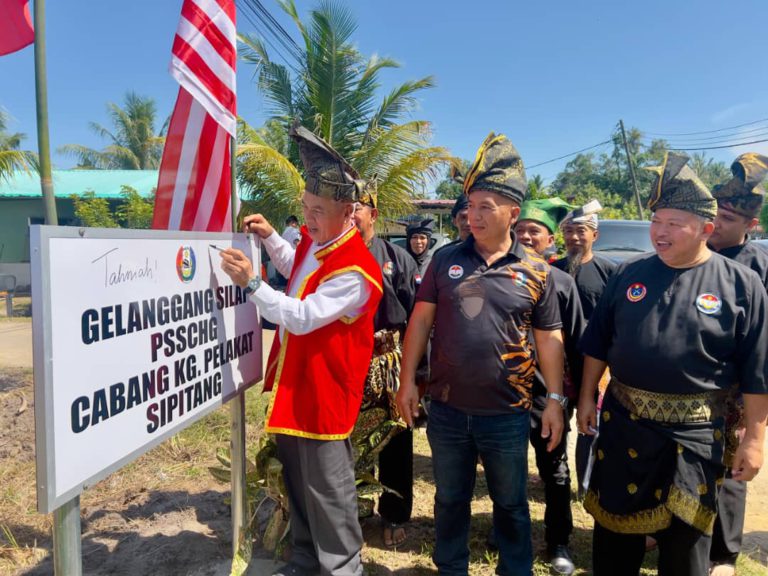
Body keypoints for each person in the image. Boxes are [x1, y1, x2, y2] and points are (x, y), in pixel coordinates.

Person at [577, 152, 768, 576]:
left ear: (706, 229)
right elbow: (598, 343)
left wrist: (754, 440)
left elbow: (758, 369)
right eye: (656, 221)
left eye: (673, 224)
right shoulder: (629, 275)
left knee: (686, 551)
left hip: (696, 436)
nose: (659, 233)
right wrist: (586, 397)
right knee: (614, 544)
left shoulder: (742, 284)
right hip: (624, 424)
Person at [397, 132, 566, 576]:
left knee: (510, 503)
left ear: (513, 212)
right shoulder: (445, 260)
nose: (472, 216)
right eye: (469, 206)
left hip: (508, 412)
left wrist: (554, 400)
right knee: (450, 499)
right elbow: (420, 323)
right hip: (448, 409)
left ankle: (515, 569)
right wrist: (406, 381)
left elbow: (549, 337)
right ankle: (451, 567)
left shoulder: (536, 270)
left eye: (485, 207)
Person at [219, 122, 383, 576]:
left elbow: (303, 314)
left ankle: (343, 568)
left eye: (318, 210)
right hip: (299, 386)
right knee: (299, 483)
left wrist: (251, 282)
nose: (307, 219)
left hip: (325, 395)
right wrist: (273, 237)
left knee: (329, 491)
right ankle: (307, 559)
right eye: (304, 208)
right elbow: (297, 273)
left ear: (348, 211)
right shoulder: (320, 243)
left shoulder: (357, 270)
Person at [514, 198, 586, 575]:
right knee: (505, 469)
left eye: (534, 231)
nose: (526, 236)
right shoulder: (501, 272)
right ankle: (507, 532)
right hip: (505, 395)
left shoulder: (562, 282)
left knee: (554, 471)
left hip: (548, 396)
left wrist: (572, 397)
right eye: (521, 229)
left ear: (549, 238)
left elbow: (577, 343)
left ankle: (558, 540)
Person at [707, 152, 768, 576]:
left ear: (752, 225)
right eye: (715, 214)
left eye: (727, 218)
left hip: (738, 387)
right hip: (689, 380)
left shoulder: (760, 268)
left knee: (732, 466)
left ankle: (723, 554)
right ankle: (664, 528)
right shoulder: (691, 253)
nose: (717, 223)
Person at [352, 189, 418, 548]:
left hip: (388, 361)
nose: (350, 215)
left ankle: (394, 513)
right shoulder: (329, 254)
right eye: (345, 207)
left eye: (357, 208)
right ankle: (356, 511)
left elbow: (416, 322)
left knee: (395, 438)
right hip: (345, 363)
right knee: (351, 441)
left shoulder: (397, 258)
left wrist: (414, 376)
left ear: (373, 214)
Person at [552, 199, 617, 495]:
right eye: (569, 231)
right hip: (559, 360)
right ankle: (554, 474)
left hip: (596, 362)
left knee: (590, 422)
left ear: (595, 235)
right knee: (556, 419)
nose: (574, 237)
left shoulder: (610, 272)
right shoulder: (552, 270)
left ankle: (585, 484)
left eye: (581, 231)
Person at [405, 218, 434, 284]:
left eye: (422, 238)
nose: (418, 241)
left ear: (428, 241)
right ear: (409, 240)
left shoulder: (433, 263)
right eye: (414, 237)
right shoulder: (401, 261)